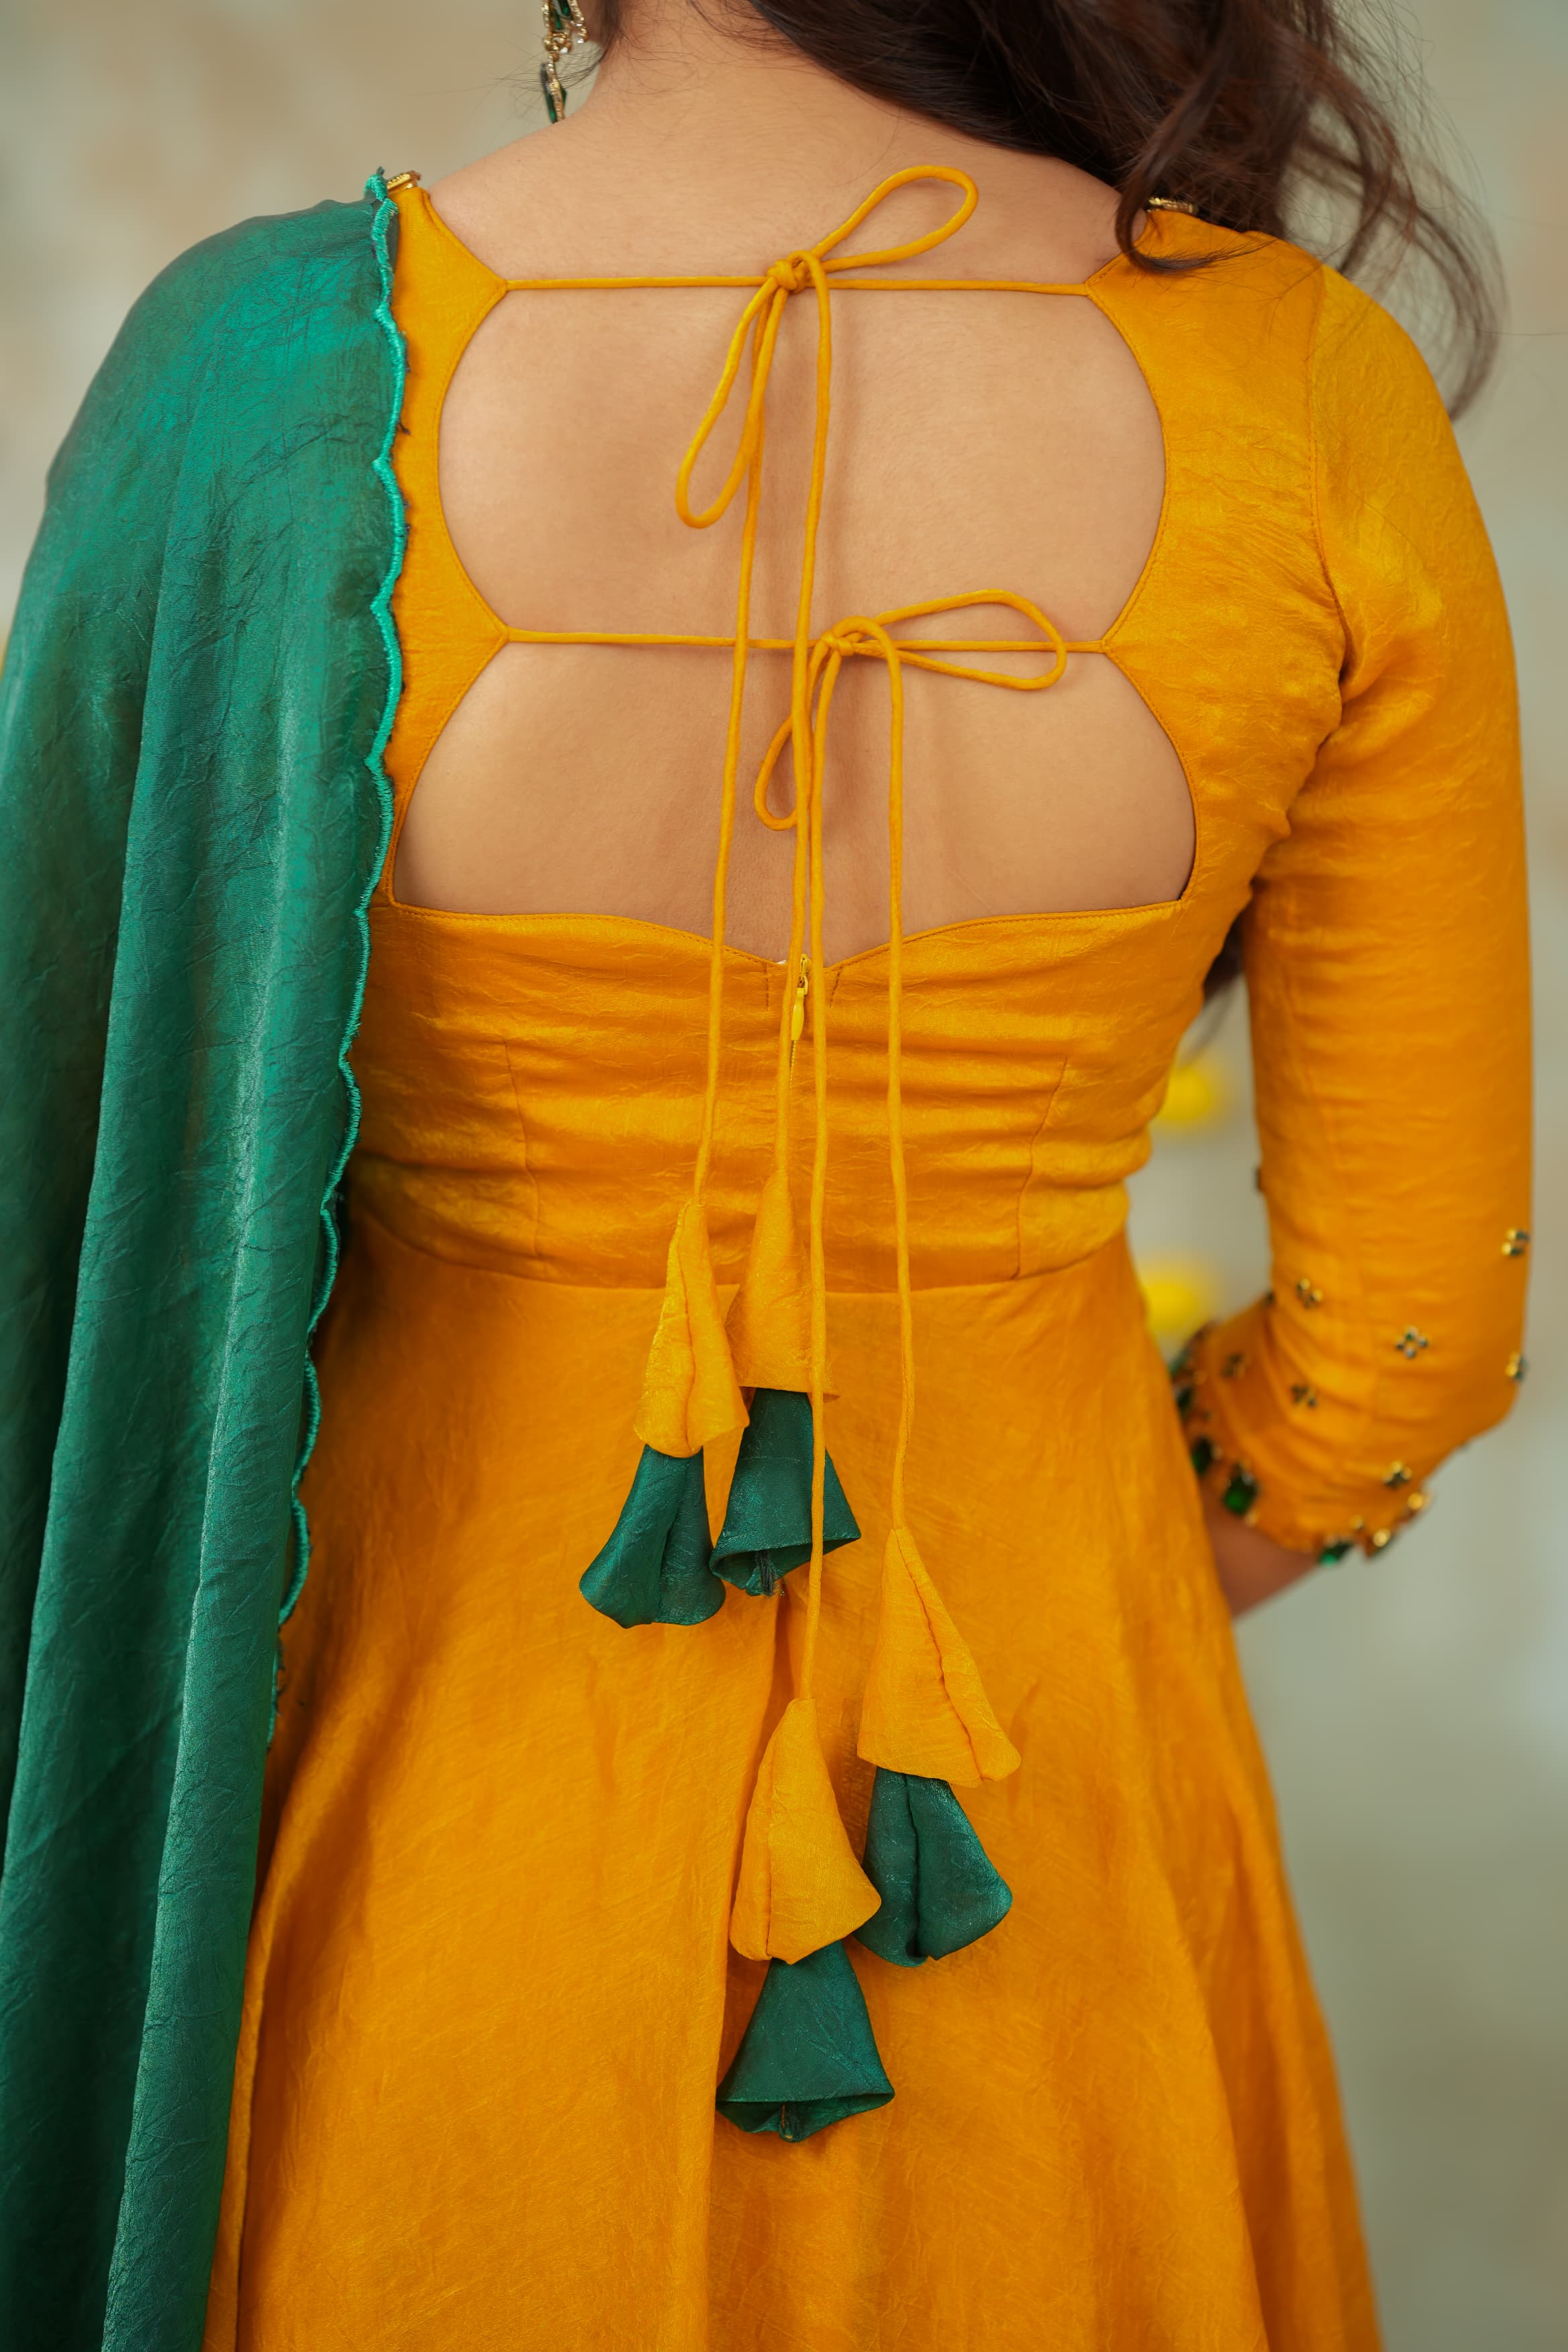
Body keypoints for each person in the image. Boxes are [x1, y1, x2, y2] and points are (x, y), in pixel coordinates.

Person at [0, 0, 1530, 2345]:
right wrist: (1087, 1551)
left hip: (425, 1841)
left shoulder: (254, 381)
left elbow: (63, 1247)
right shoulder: (1310, 392)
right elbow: (1409, 1351)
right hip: (1038, 1830)